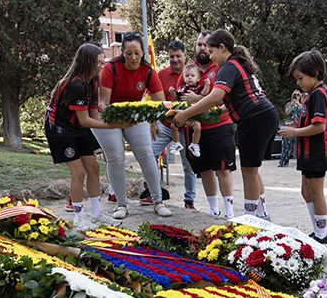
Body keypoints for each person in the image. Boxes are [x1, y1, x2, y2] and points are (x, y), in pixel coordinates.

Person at [172, 29, 280, 220]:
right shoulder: (239, 64)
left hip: (254, 118)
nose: (211, 56)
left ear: (222, 48)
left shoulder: (229, 66)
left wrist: (185, 114)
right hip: (264, 115)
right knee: (253, 170)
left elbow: (216, 97)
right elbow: (230, 103)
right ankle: (260, 214)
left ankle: (250, 218)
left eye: (212, 51)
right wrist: (210, 113)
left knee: (249, 170)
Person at [44, 43, 127, 229]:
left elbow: (93, 115)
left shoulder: (92, 81)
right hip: (60, 129)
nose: (102, 65)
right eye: (99, 62)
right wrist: (114, 125)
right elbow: (85, 121)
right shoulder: (76, 85)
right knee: (79, 172)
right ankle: (79, 216)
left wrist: (107, 132)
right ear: (88, 62)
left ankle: (97, 214)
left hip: (77, 127)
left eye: (103, 61)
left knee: (93, 168)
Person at [92, 31, 172, 219]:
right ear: (123, 53)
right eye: (129, 54)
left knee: (146, 153)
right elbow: (104, 102)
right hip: (109, 116)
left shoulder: (148, 71)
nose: (133, 58)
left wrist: (153, 119)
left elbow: (160, 102)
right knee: (116, 157)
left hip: (135, 115)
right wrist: (108, 113)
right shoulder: (111, 68)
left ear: (143, 52)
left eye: (137, 53)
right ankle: (121, 204)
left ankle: (158, 200)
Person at [278, 50, 327, 244]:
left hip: (318, 151)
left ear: (315, 73)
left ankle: (322, 235)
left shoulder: (320, 94)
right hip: (307, 151)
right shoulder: (310, 95)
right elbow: (308, 122)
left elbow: (319, 126)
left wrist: (295, 133)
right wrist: (294, 127)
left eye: (300, 78)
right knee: (306, 192)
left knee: (316, 192)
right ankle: (316, 230)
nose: (298, 83)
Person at [181, 31, 236, 217]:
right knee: (204, 170)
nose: (203, 49)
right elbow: (182, 98)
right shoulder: (189, 71)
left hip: (221, 125)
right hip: (198, 129)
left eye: (206, 45)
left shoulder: (222, 66)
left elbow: (225, 97)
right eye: (199, 45)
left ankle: (230, 213)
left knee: (223, 169)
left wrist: (200, 98)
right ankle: (213, 211)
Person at [142, 39, 195, 209]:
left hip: (186, 126)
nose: (175, 60)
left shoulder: (193, 73)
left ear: (185, 56)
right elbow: (152, 100)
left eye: (178, 56)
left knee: (189, 165)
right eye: (171, 56)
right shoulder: (161, 75)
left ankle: (189, 201)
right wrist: (152, 122)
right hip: (165, 124)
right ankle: (154, 193)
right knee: (149, 155)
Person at [279, 90, 305, 167]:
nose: (296, 96)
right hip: (290, 126)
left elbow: (304, 113)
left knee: (302, 145)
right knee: (286, 145)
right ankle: (283, 162)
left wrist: (298, 104)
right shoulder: (289, 104)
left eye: (298, 95)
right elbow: (287, 113)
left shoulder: (302, 105)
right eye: (294, 94)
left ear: (300, 96)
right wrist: (292, 105)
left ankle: (302, 161)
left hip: (300, 126)